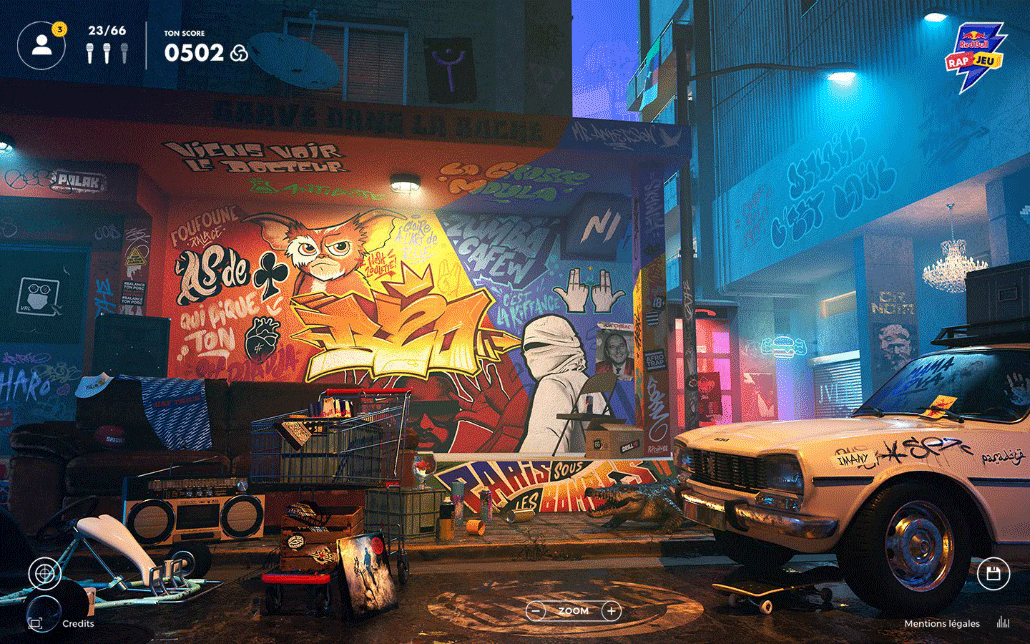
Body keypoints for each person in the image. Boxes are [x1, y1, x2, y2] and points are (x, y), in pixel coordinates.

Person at [519, 315, 604, 455]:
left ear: (565, 344)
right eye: (529, 348)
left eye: (541, 346)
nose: (533, 354)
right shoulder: (582, 380)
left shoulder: (553, 384)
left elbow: (543, 445)